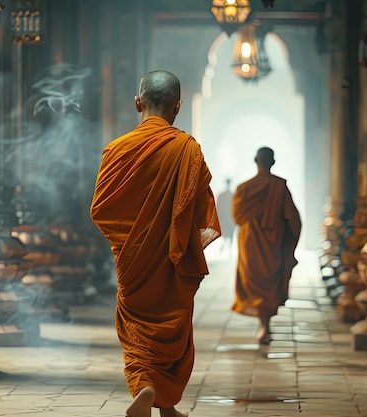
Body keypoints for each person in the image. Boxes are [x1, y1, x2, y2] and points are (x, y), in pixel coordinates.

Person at [90, 70, 221, 417]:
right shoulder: (187, 149)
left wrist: (128, 241)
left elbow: (101, 210)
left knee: (135, 332)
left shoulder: (116, 150)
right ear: (177, 107)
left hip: (133, 263)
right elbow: (200, 209)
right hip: (173, 261)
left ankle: (150, 393)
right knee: (174, 330)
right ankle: (161, 398)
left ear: (137, 104)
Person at [232, 147, 301, 344]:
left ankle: (263, 327)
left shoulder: (243, 189)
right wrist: (290, 243)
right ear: (273, 162)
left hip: (250, 245)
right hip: (273, 245)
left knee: (255, 282)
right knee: (269, 283)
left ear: (256, 160)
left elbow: (237, 217)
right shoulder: (280, 187)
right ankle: (265, 327)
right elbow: (293, 220)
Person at [215, 178, 236, 256]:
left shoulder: (223, 195)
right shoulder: (232, 195)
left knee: (228, 233)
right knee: (229, 233)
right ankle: (225, 247)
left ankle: (226, 248)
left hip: (227, 217)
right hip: (228, 217)